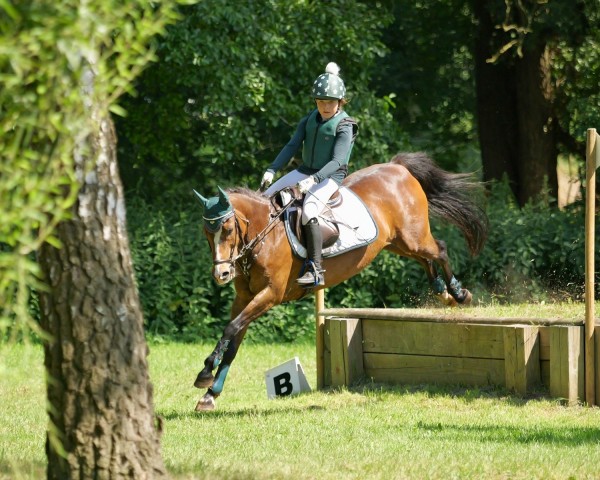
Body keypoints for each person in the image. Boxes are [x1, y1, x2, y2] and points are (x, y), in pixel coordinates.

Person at [261, 62, 358, 287]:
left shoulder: (345, 125)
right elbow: (292, 145)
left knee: (309, 210)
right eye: (321, 101)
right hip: (305, 170)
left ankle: (315, 268)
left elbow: (338, 161)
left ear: (340, 102)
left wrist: (314, 180)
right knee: (266, 196)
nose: (325, 106)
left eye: (330, 102)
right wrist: (272, 169)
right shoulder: (309, 119)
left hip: (331, 176)